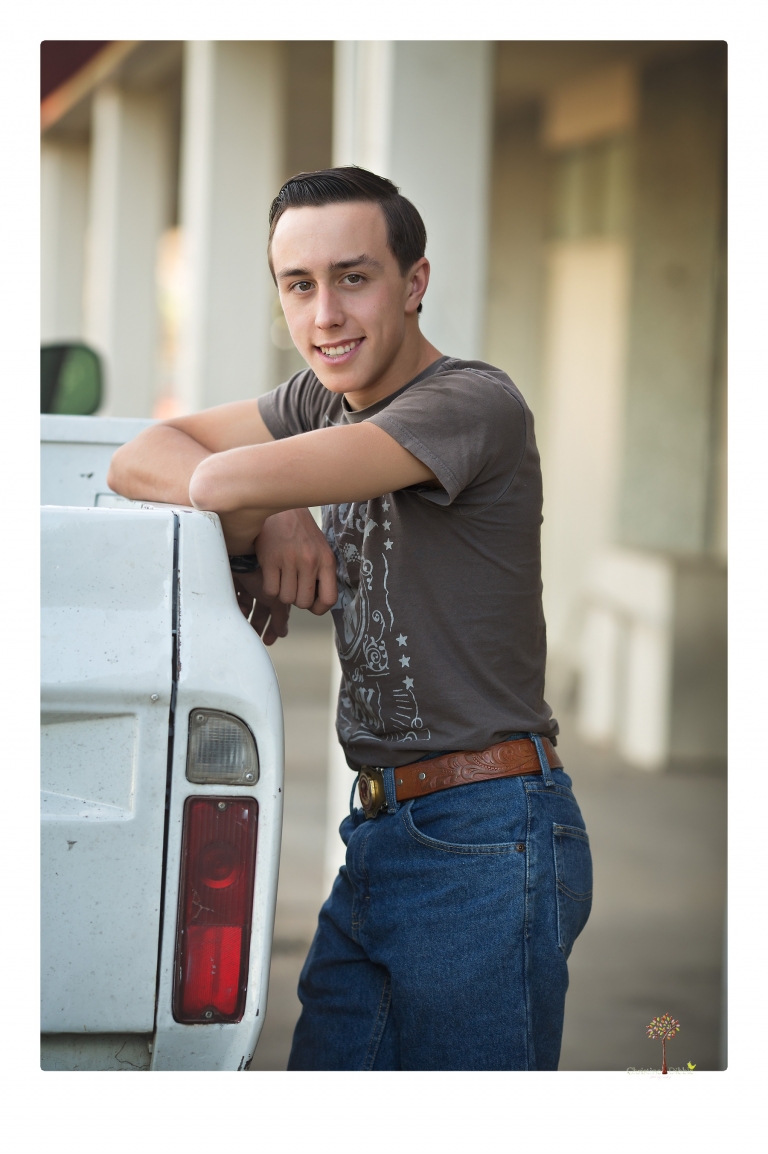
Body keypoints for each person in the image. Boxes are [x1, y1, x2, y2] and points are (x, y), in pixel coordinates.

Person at [108, 166, 592, 1071]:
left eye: (354, 277)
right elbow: (138, 456)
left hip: (486, 833)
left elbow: (214, 477)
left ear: (414, 284)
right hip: (380, 830)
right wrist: (279, 511)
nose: (325, 314)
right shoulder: (319, 403)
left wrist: (257, 495)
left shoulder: (469, 403)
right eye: (300, 285)